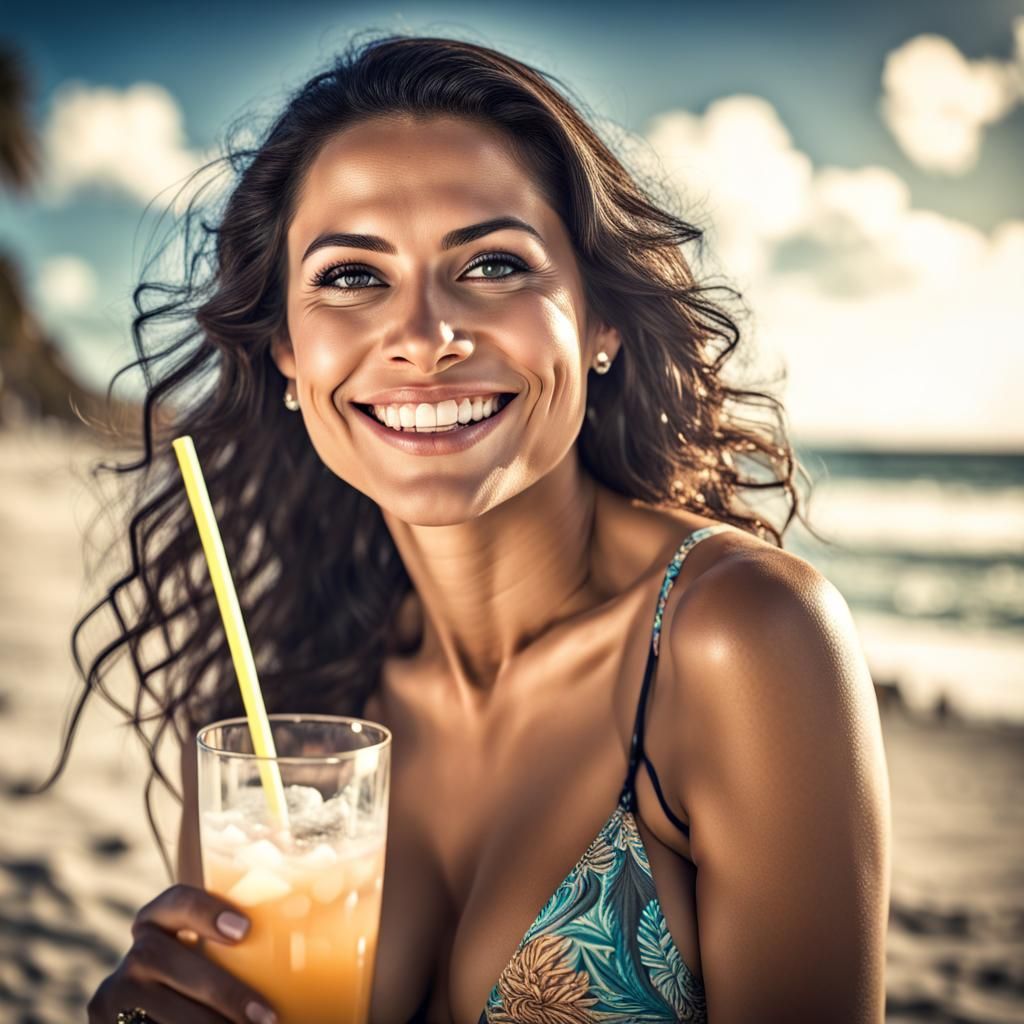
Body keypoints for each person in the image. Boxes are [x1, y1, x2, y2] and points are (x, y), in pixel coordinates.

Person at [47, 32, 890, 1024]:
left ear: (603, 318)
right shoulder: (273, 732)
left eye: (491, 264)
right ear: (285, 350)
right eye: (353, 277)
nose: (422, 338)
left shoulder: (738, 639)